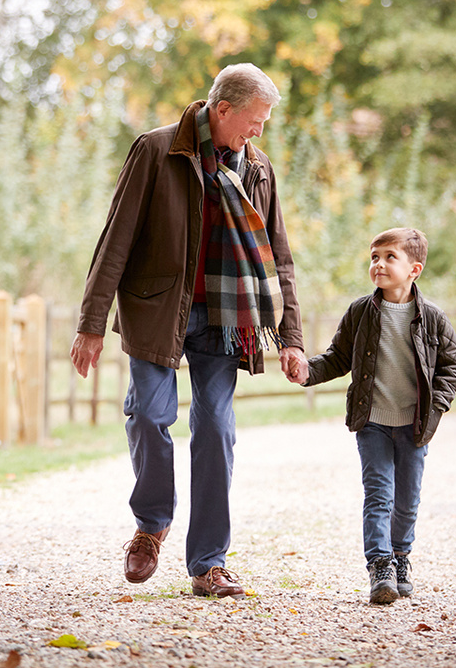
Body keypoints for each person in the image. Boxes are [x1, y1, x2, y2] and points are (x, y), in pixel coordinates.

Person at [70, 63, 306, 599]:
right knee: (151, 416)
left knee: (217, 432)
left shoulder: (259, 169)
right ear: (222, 110)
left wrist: (290, 337)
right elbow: (116, 241)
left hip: (227, 319)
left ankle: (208, 564)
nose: (258, 132)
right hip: (158, 309)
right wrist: (91, 324)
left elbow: (279, 260)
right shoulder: (157, 151)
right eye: (254, 120)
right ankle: (151, 526)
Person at [290, 227, 456, 604]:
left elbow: (452, 364)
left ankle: (401, 557)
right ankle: (380, 565)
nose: (379, 264)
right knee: (379, 494)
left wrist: (437, 406)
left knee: (407, 499)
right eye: (374, 257)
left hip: (415, 424)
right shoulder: (360, 313)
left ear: (414, 269)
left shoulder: (432, 318)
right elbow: (338, 357)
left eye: (389, 257)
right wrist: (308, 371)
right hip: (372, 421)